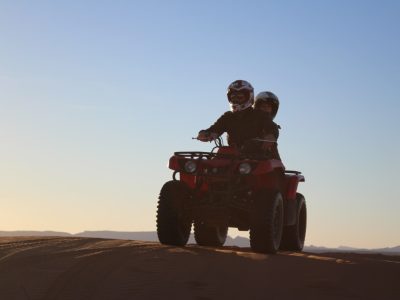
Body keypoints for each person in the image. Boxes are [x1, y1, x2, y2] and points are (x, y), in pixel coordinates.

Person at [197, 80, 279, 156]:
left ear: (248, 97)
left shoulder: (259, 115)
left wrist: (270, 135)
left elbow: (272, 127)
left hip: (258, 156)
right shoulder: (228, 117)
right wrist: (206, 133)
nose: (236, 100)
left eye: (240, 97)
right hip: (234, 156)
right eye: (233, 97)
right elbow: (215, 129)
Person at [254, 91, 281, 160]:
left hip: (262, 160)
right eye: (263, 106)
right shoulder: (247, 123)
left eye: (268, 107)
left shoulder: (272, 127)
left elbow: (272, 147)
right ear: (257, 107)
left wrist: (279, 164)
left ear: (272, 110)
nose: (266, 109)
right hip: (240, 159)